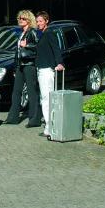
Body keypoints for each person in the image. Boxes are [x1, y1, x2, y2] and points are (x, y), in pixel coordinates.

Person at [4, 10, 41, 127]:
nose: (20, 20)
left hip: (29, 65)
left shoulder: (33, 32)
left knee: (32, 92)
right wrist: (16, 67)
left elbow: (39, 47)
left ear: (29, 20)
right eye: (19, 18)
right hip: (20, 65)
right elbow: (18, 52)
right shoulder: (21, 33)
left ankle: (34, 119)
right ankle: (12, 118)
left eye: (23, 18)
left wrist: (27, 45)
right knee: (16, 92)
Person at [34, 10, 64, 139]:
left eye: (40, 21)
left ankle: (50, 127)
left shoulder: (49, 33)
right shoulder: (42, 34)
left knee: (47, 98)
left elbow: (56, 48)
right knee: (45, 98)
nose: (38, 23)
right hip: (41, 69)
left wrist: (59, 63)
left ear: (46, 21)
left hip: (47, 70)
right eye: (37, 21)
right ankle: (49, 126)